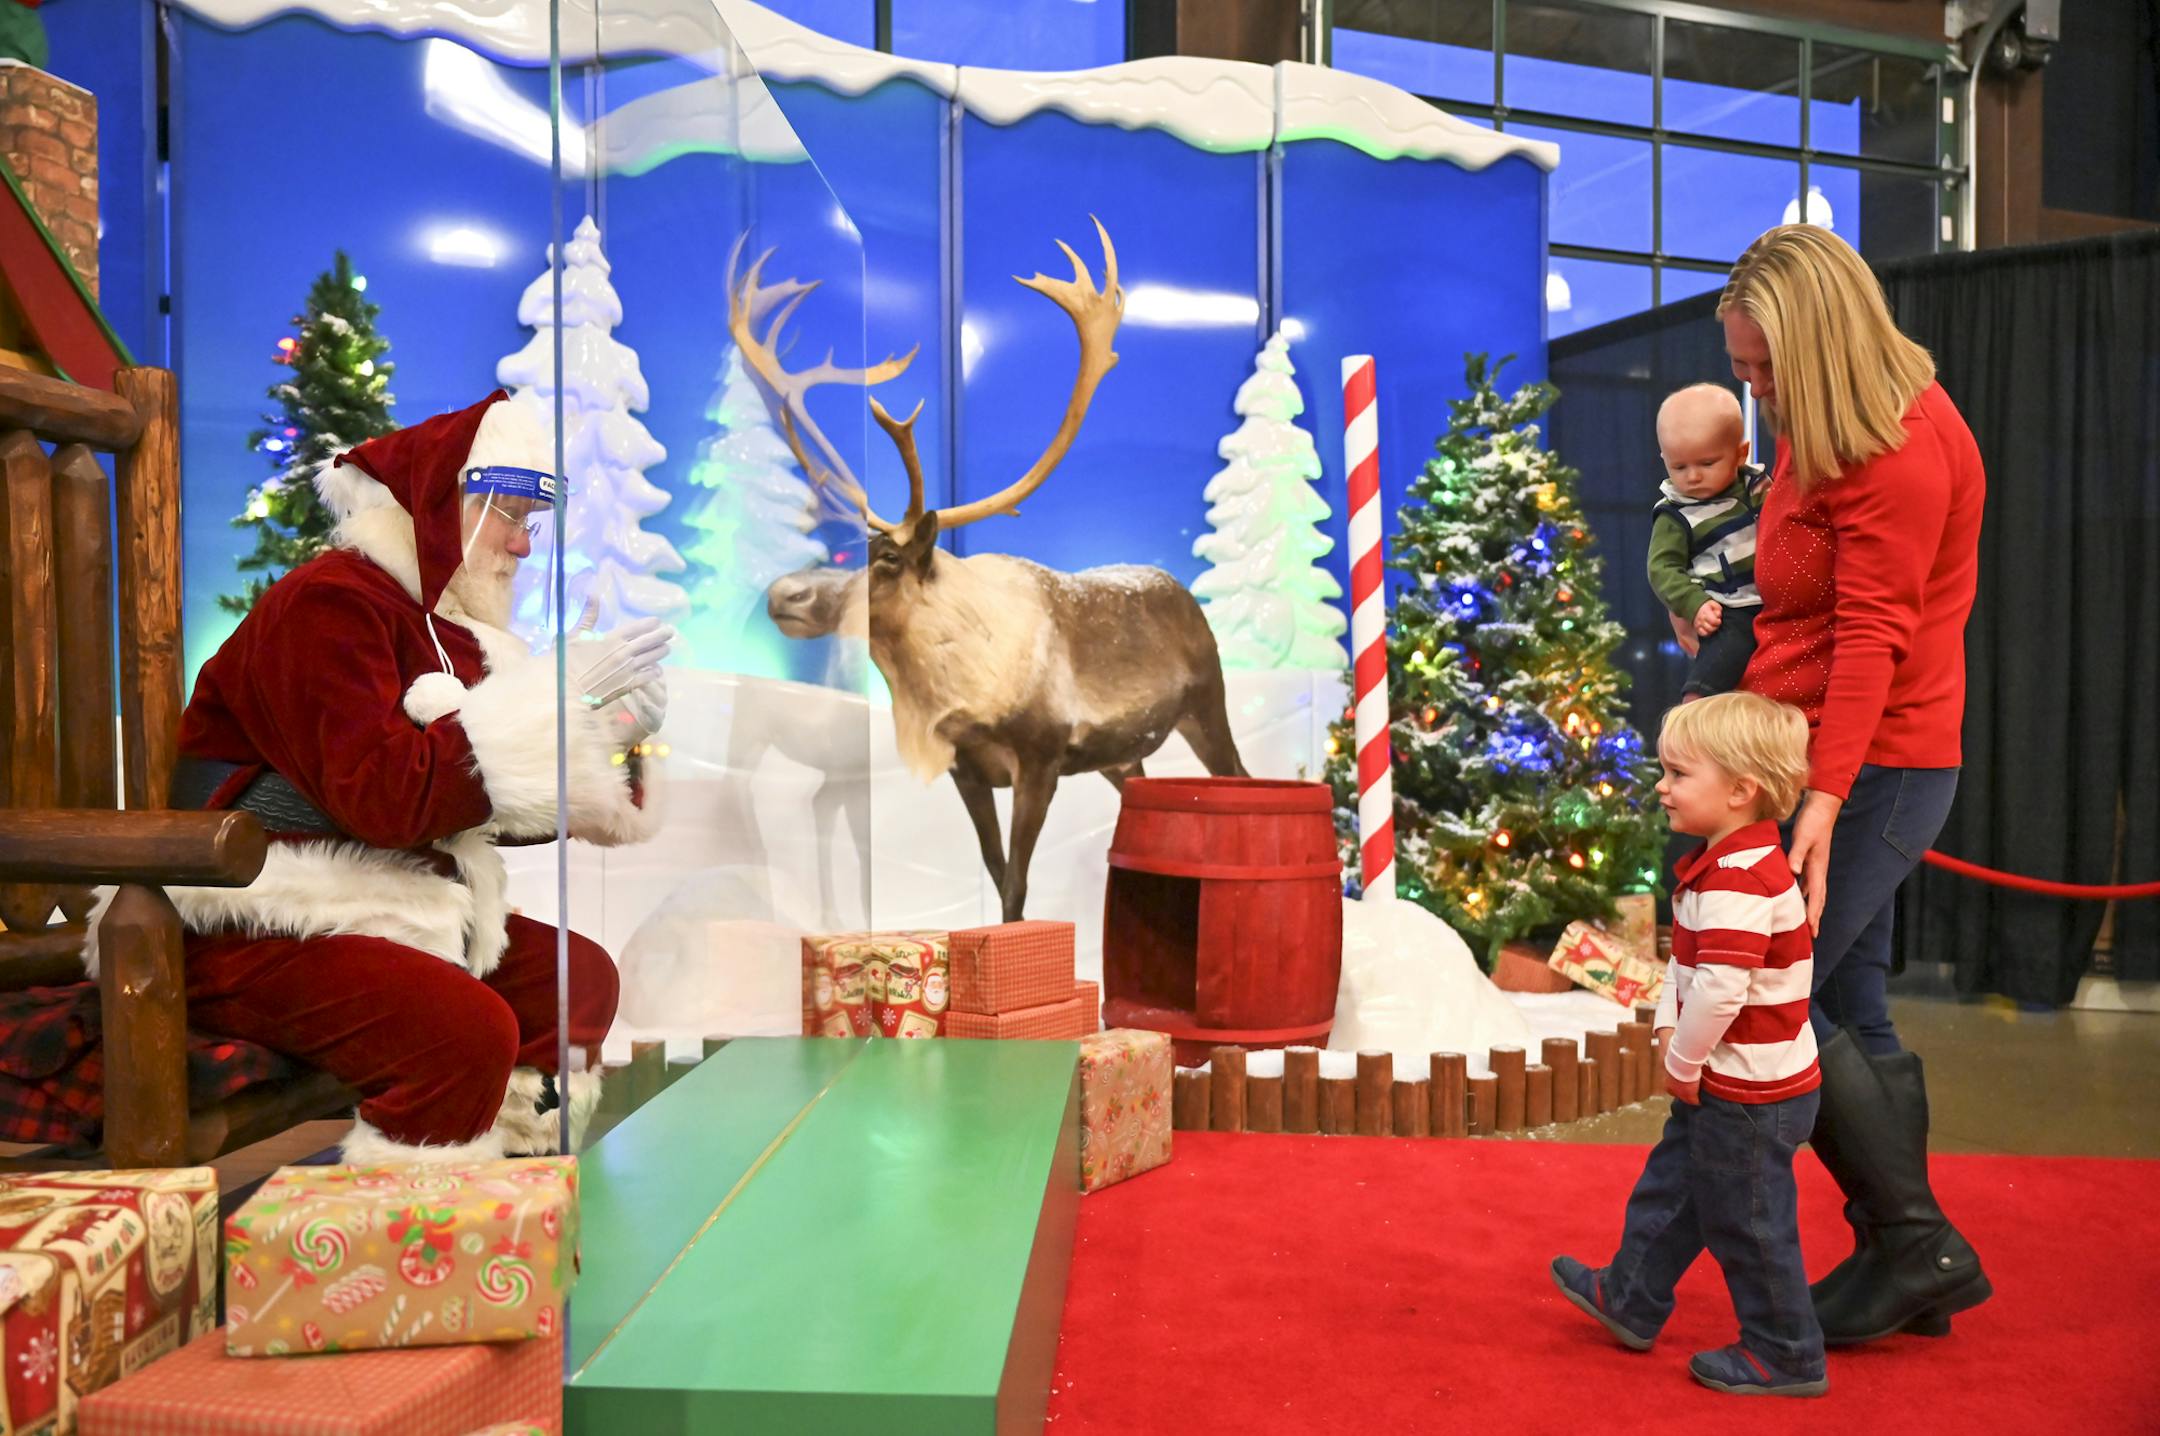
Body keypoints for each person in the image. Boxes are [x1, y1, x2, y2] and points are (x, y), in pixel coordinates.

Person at [83, 390, 673, 1163]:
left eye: (531, 524)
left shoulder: (441, 629)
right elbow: (388, 798)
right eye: (510, 516)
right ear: (436, 503)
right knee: (463, 1030)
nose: (523, 548)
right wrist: (546, 710)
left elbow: (490, 806)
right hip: (256, 918)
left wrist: (603, 730)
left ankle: (519, 1199)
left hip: (392, 906)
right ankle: (410, 1246)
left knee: (577, 979)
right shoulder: (329, 607)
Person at [1706, 224, 1991, 1345]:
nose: (1752, 388)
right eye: (1741, 366)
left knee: (1778, 995)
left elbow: (1876, 632)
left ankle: (1913, 1240)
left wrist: (1822, 801)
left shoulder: (1899, 445)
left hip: (1875, 763)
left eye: (1765, 369)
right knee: (1852, 1004)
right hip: (1834, 753)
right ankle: (1911, 1256)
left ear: (1819, 349)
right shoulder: (1838, 425)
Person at [1552, 692, 1825, 1398]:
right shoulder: (1723, 863)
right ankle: (1632, 1294)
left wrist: (1681, 1059)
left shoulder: (1738, 882)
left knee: (1749, 1223)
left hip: (1746, 1091)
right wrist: (1671, 1024)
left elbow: (1720, 993)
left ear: (1741, 791)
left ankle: (1786, 1351)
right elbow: (1689, 968)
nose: (1661, 787)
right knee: (1676, 1188)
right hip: (1730, 1079)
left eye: (1678, 775)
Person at [1646, 383, 1767, 699]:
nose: (1693, 477)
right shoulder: (1676, 513)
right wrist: (1694, 604)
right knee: (1724, 653)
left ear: (1740, 454)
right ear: (1664, 459)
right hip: (1726, 606)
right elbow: (1662, 569)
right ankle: (1695, 706)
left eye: (1707, 463)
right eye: (1679, 467)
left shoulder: (1757, 486)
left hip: (1774, 597)